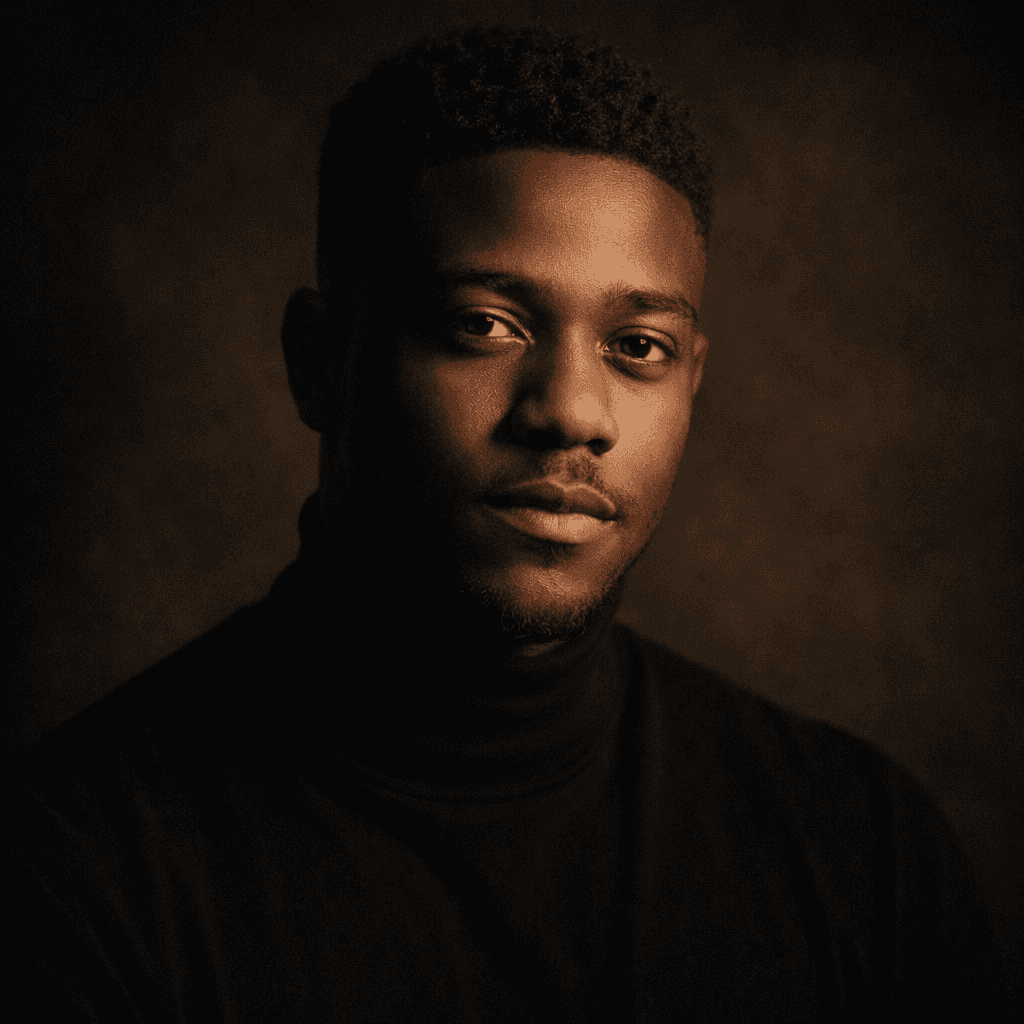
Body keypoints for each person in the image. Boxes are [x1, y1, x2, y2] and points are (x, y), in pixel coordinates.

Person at [1, 24, 1009, 1023]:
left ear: (692, 380)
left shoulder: (861, 849)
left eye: (636, 344)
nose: (570, 411)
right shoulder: (73, 877)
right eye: (484, 324)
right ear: (322, 362)